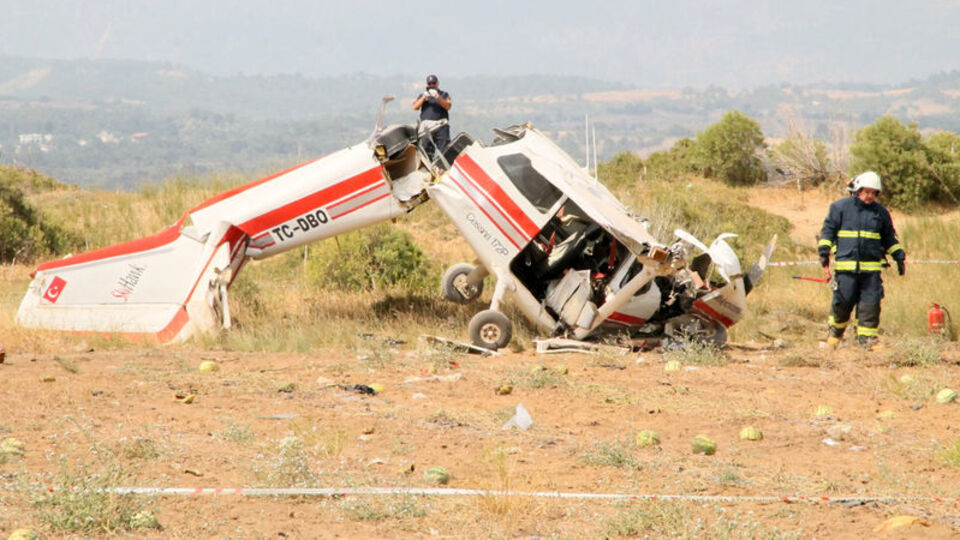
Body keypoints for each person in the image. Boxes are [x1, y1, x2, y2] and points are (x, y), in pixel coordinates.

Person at [818, 171, 905, 350]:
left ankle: (867, 341)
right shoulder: (840, 208)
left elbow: (889, 238)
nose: (870, 196)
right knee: (842, 303)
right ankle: (835, 335)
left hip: (871, 272)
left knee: (870, 305)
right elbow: (828, 231)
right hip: (845, 269)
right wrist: (823, 250)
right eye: (866, 192)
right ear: (857, 190)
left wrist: (898, 255)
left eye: (874, 193)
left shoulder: (881, 213)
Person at [412, 74, 452, 159]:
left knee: (444, 150)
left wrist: (437, 97)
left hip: (440, 126)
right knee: (426, 152)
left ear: (437, 84)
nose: (432, 85)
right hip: (427, 128)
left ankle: (444, 168)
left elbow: (447, 106)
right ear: (427, 85)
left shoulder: (444, 94)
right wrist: (423, 98)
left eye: (433, 83)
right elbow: (415, 107)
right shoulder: (423, 95)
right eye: (430, 84)